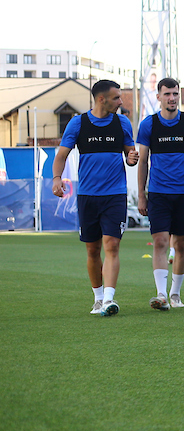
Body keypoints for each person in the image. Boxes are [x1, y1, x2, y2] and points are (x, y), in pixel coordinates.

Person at [51, 79, 139, 316]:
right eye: (116, 98)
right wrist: (57, 179)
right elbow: (61, 156)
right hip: (87, 196)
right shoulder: (78, 123)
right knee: (92, 250)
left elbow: (129, 154)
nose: (120, 102)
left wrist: (132, 158)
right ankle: (98, 298)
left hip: (115, 195)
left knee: (112, 245)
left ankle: (109, 299)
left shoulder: (122, 123)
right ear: (102, 99)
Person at [136, 77, 184, 310]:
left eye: (175, 93)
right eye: (167, 94)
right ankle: (161, 294)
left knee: (181, 244)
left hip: (183, 193)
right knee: (160, 241)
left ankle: (175, 294)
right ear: (158, 97)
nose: (172, 98)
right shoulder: (149, 124)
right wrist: (142, 194)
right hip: (158, 193)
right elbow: (142, 162)